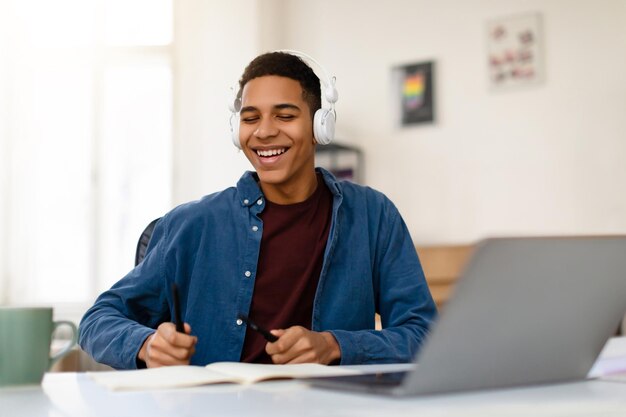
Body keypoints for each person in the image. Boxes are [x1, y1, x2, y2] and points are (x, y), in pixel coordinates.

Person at [78, 51, 437, 369]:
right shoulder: (191, 224)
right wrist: (147, 344)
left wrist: (333, 345)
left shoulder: (373, 216)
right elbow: (97, 321)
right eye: (250, 118)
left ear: (319, 127)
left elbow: (423, 334)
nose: (264, 132)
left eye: (284, 116)